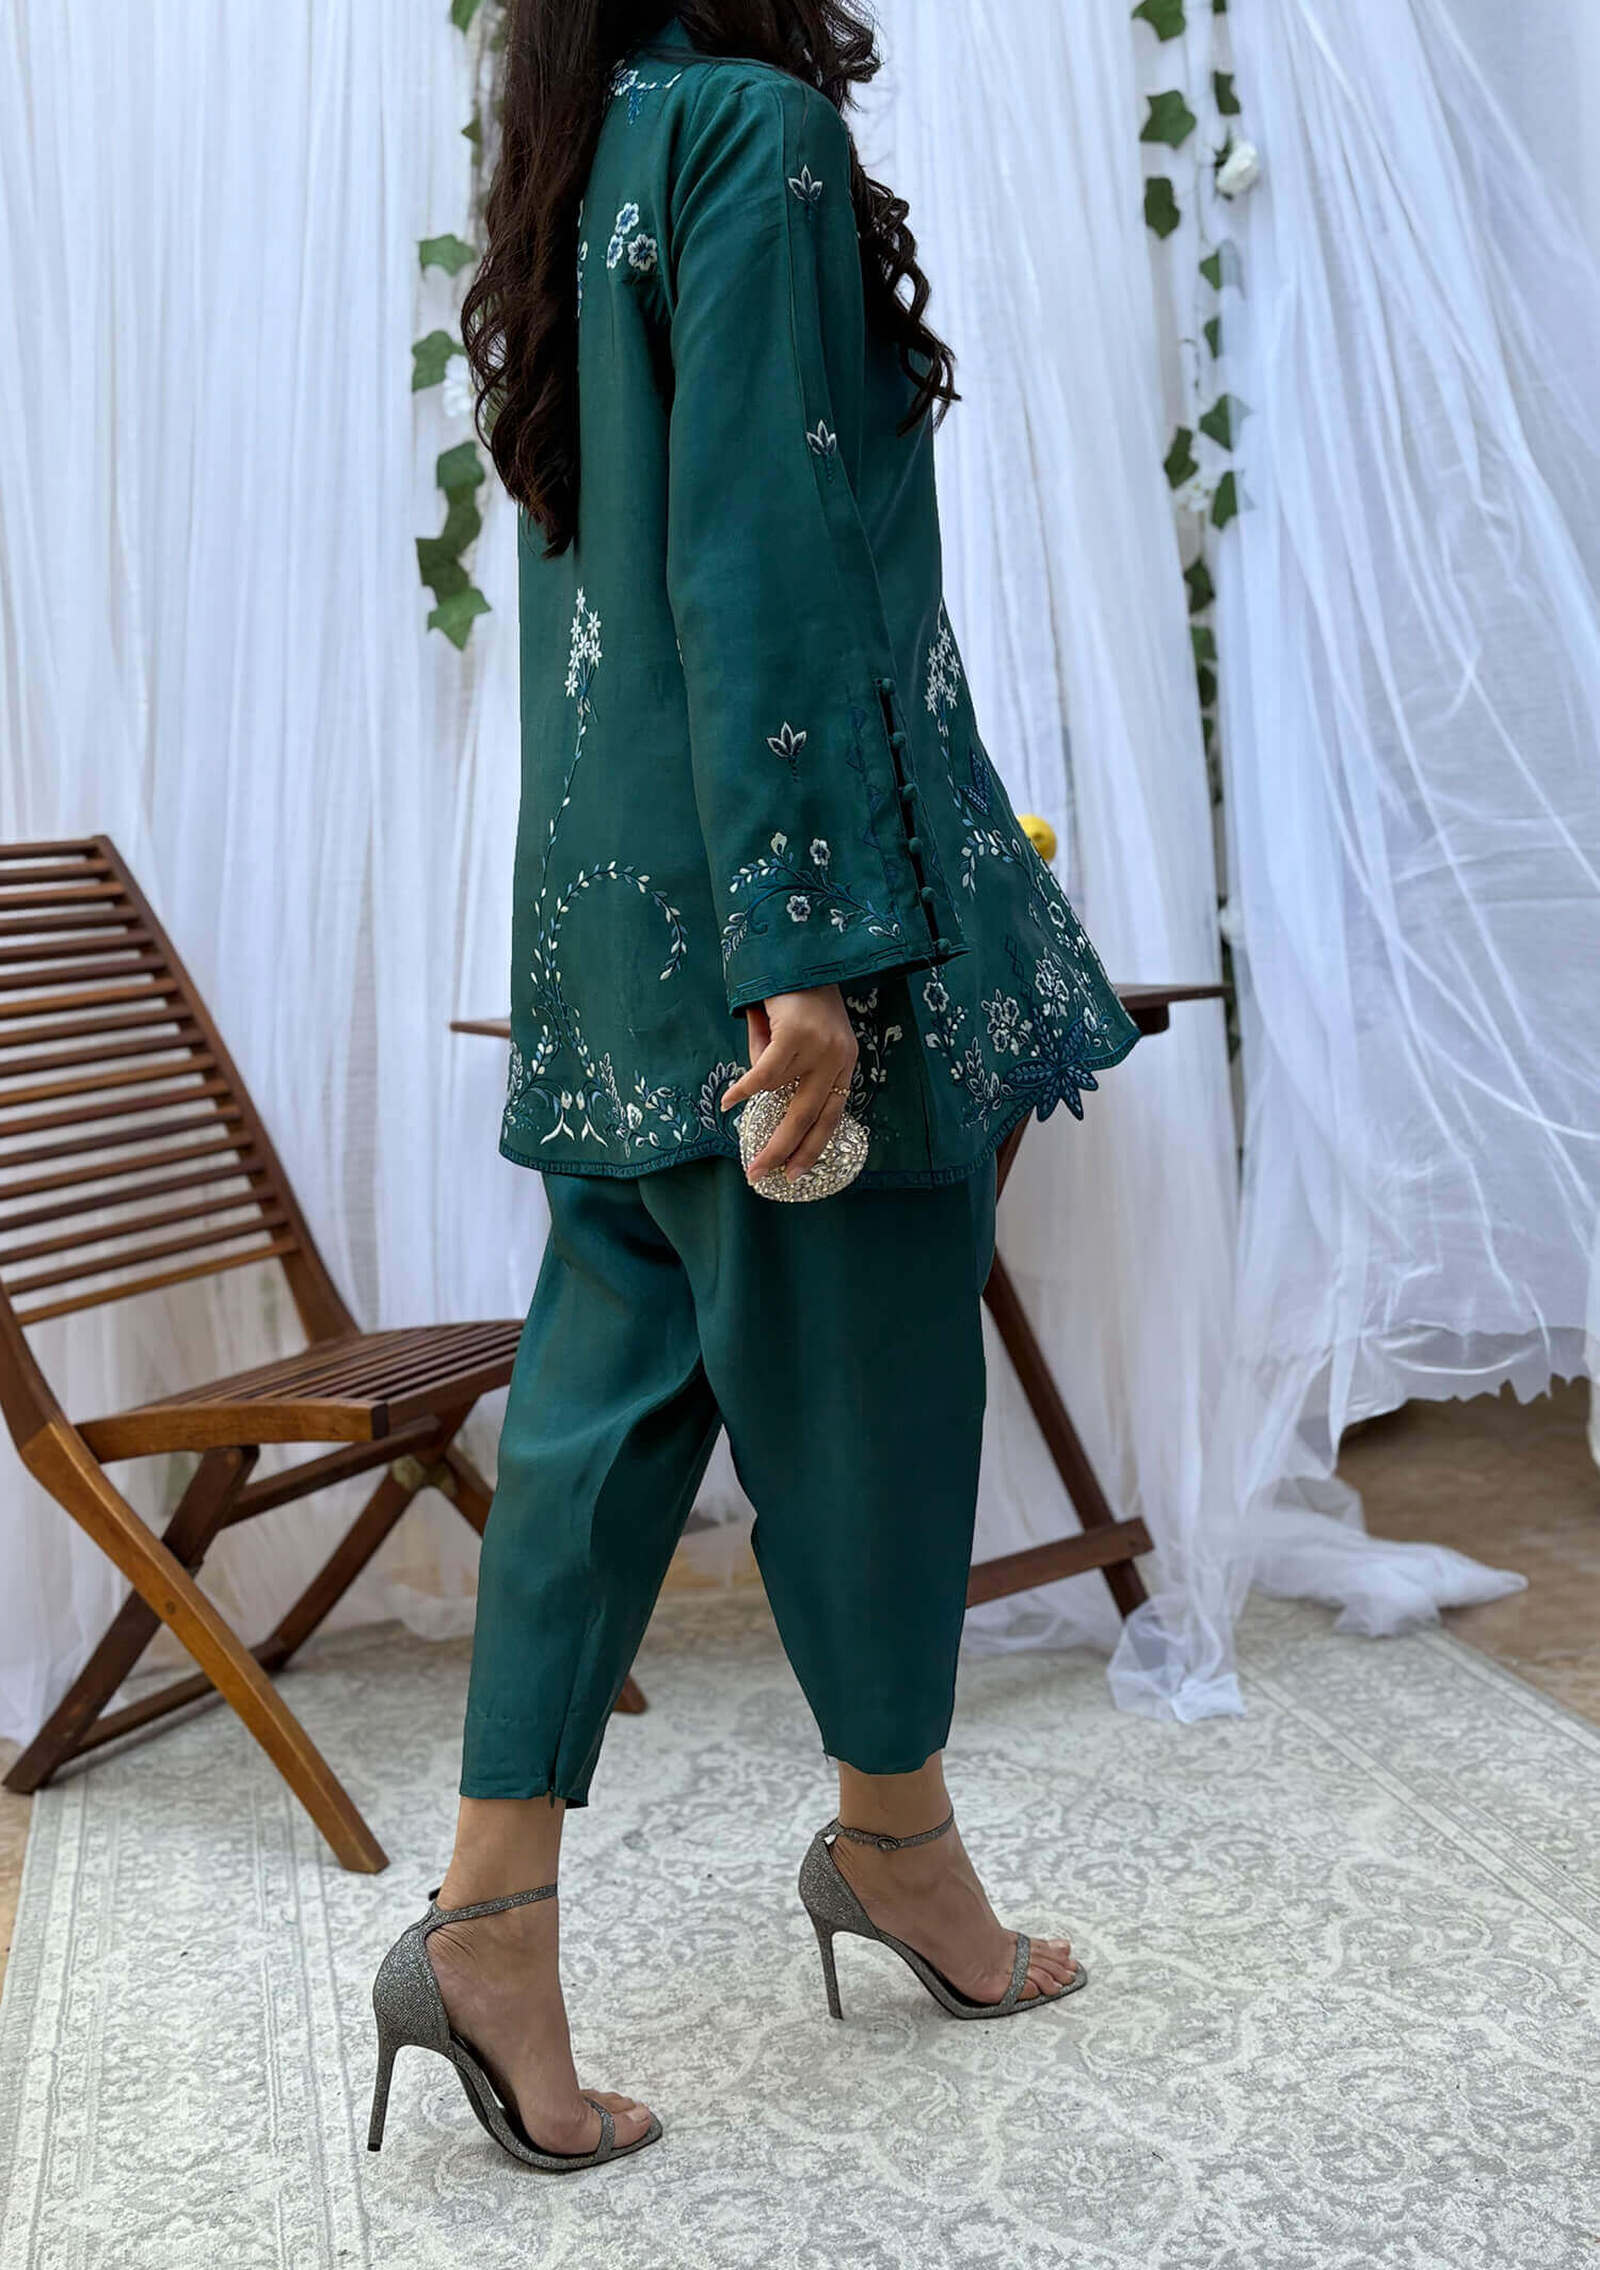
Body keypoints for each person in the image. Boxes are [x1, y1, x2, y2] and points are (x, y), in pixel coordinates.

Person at [368, 0, 1140, 2174]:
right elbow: (757, 550)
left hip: (610, 915)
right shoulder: (750, 128)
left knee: (599, 1415)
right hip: (770, 908)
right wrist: (806, 951)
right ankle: (896, 1845)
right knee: (872, 1385)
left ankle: (484, 1924)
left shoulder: (585, 156)